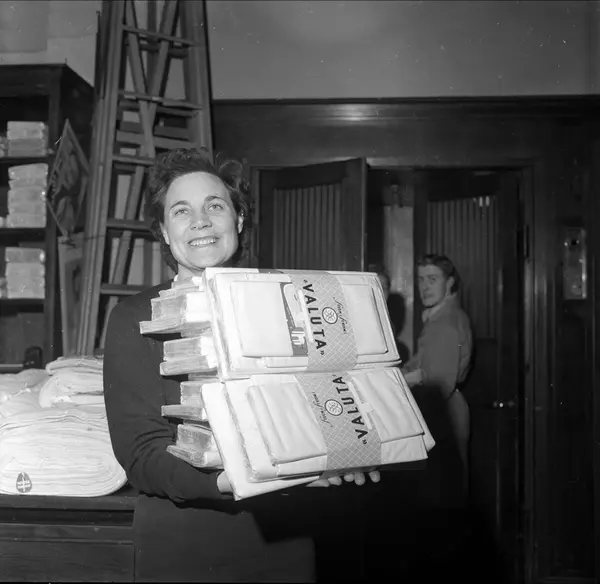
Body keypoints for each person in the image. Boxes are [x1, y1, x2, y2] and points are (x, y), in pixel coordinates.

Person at [103, 148, 380, 583]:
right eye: (181, 211)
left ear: (239, 220)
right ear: (164, 232)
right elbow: (141, 455)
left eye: (215, 206)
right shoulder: (134, 317)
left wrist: (348, 447)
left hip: (284, 538)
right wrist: (234, 479)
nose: (201, 221)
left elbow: (326, 400)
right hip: (184, 544)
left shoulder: (290, 301)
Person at [401, 253, 473, 490]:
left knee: (443, 488)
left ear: (449, 282)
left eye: (432, 279)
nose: (425, 287)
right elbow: (421, 363)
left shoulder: (445, 323)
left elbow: (437, 381)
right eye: (421, 280)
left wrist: (397, 380)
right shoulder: (442, 316)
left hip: (444, 412)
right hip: (445, 408)